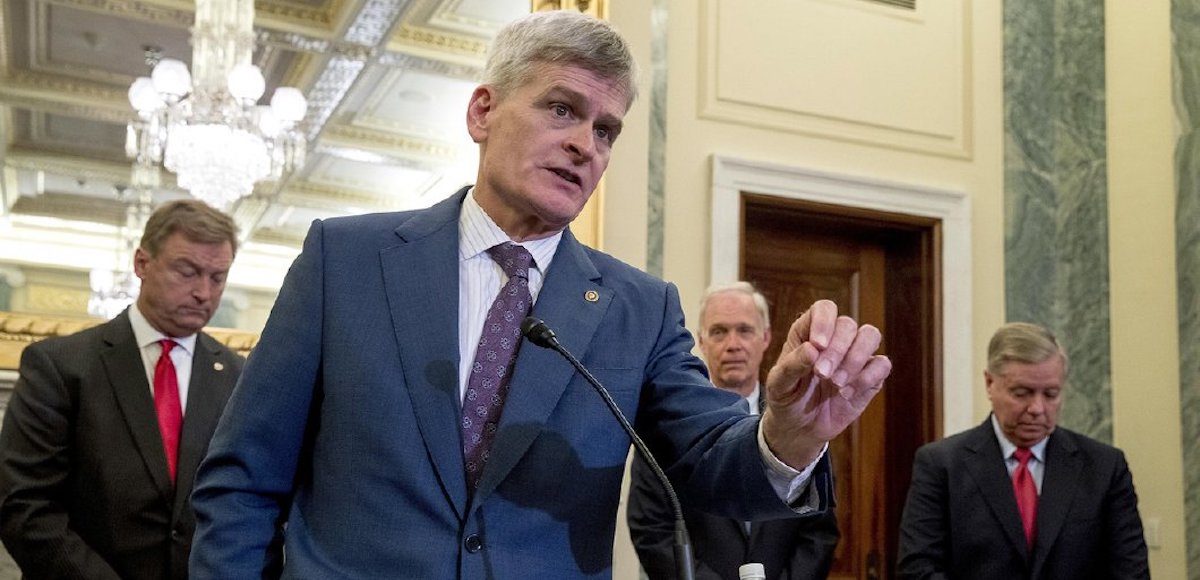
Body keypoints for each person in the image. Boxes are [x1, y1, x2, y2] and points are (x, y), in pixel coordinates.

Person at [190, 11, 891, 578]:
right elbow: (244, 482)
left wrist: (790, 435)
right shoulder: (345, 260)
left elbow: (708, 460)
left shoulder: (638, 308)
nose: (587, 144)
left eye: (606, 129)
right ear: (483, 112)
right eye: (562, 109)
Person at [0, 199, 243, 579]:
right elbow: (25, 505)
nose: (204, 293)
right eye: (188, 271)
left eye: (217, 277)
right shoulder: (61, 365)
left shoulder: (238, 376)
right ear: (142, 264)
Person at [896, 322, 1149, 579]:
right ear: (990, 383)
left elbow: (1131, 571)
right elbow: (918, 571)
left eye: (1051, 394)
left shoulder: (1104, 467)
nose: (1037, 408)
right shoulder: (941, 465)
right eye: (1022, 393)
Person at [628, 282, 840, 579]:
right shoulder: (665, 428)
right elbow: (653, 532)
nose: (733, 344)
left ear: (765, 338)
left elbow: (819, 530)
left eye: (744, 330)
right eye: (718, 332)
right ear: (701, 341)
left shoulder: (798, 419)